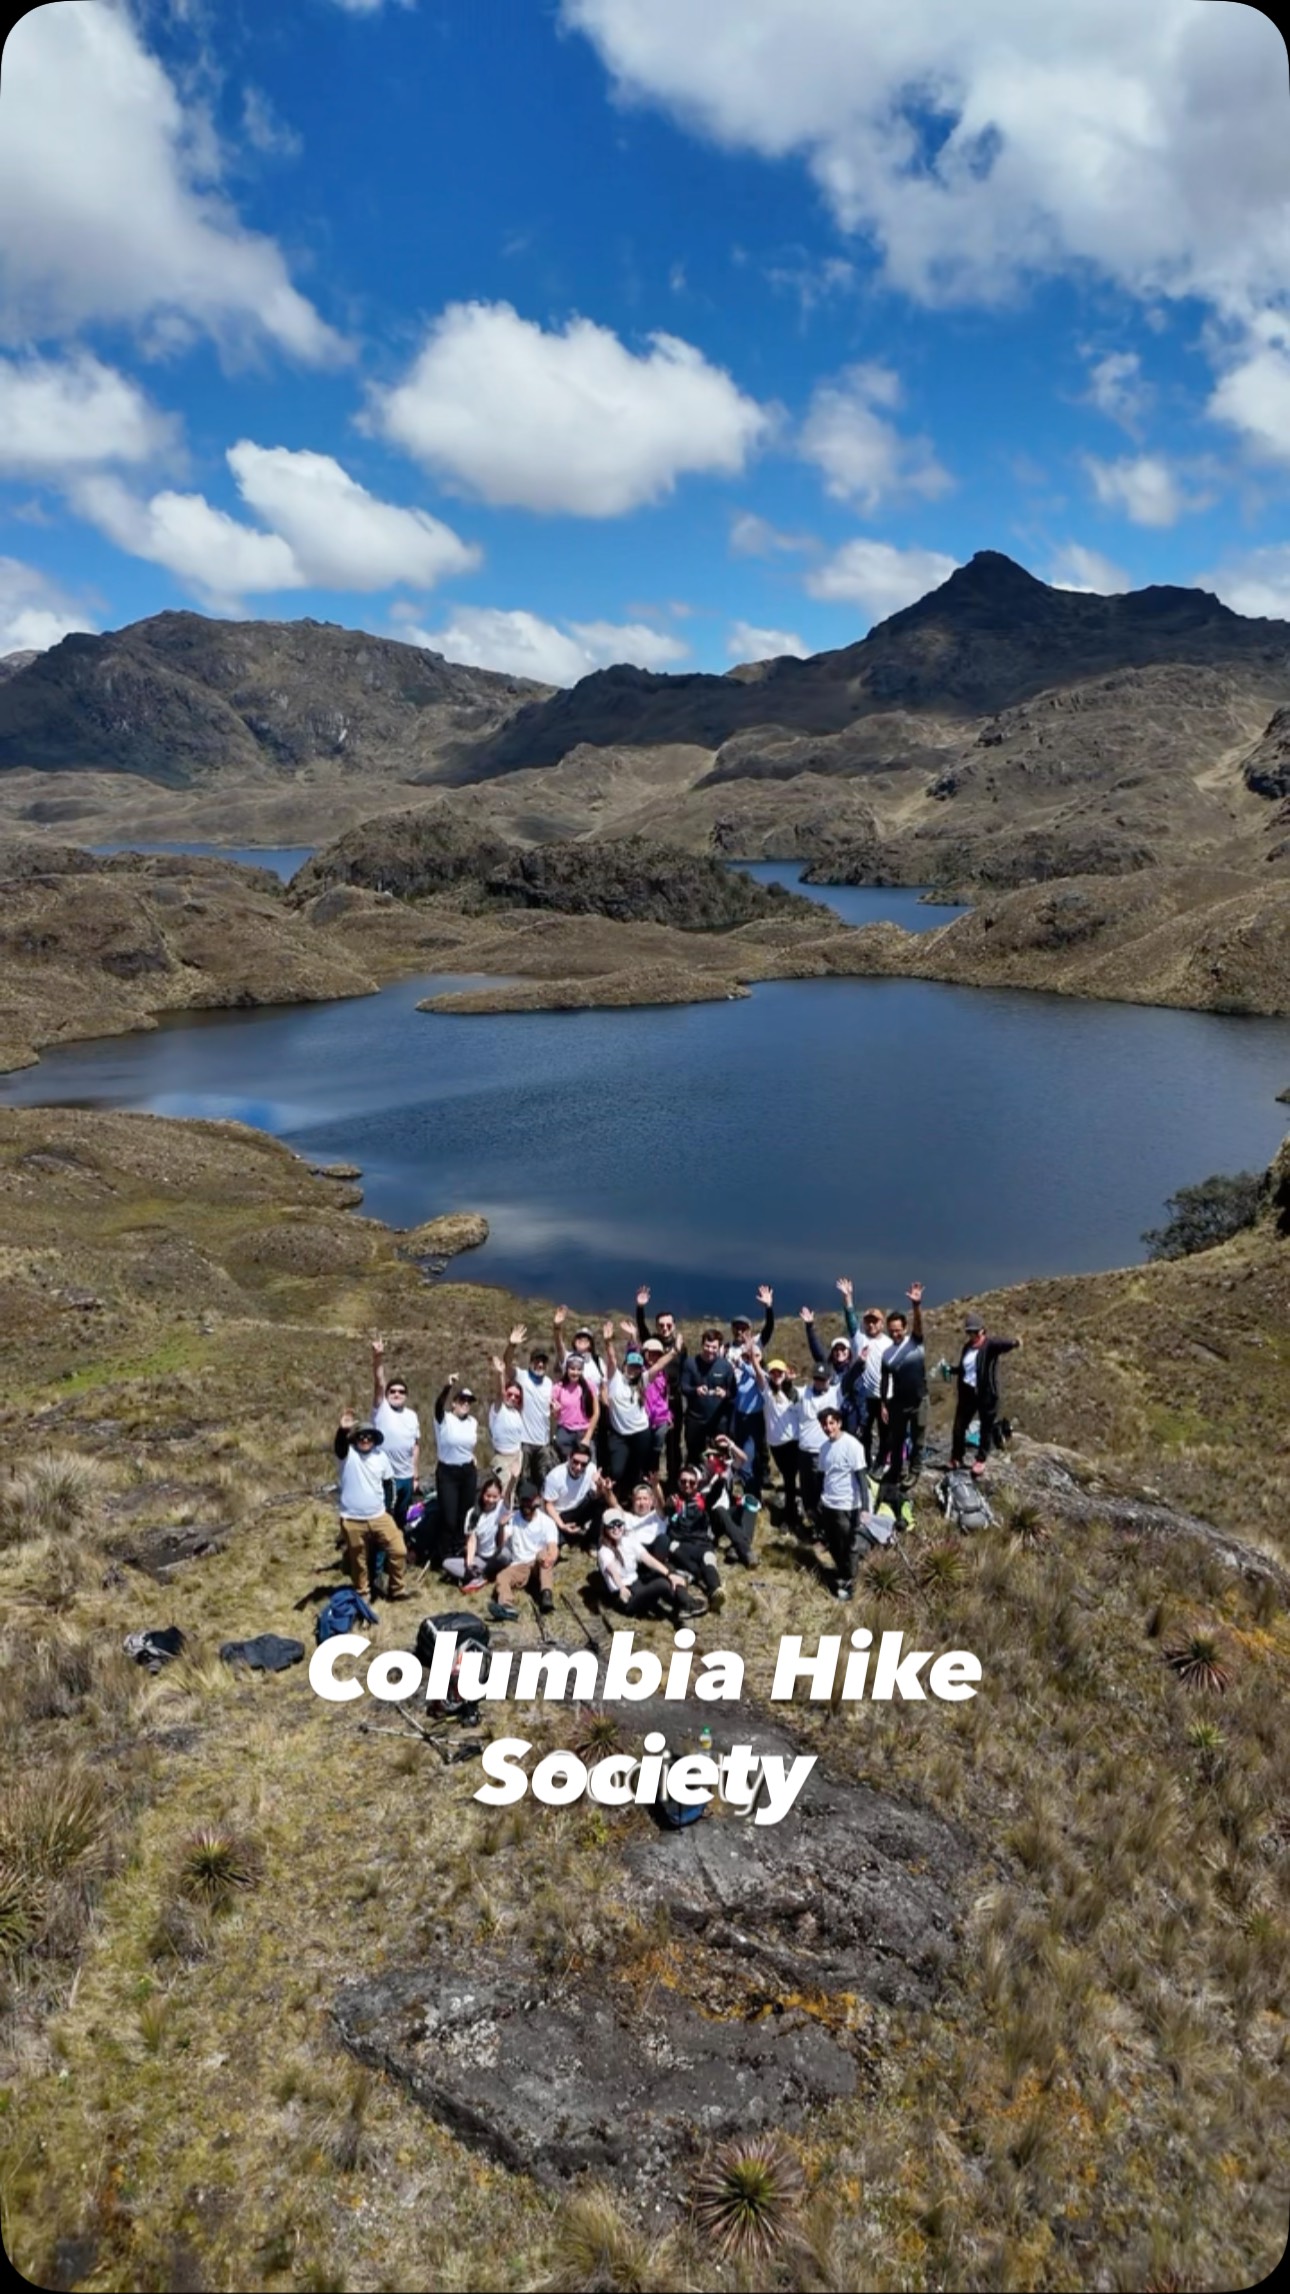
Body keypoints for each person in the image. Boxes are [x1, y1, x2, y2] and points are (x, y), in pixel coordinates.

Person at [602, 1318, 681, 1498]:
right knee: (617, 1470)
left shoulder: (643, 1380)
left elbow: (660, 1364)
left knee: (638, 1468)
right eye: (631, 1366)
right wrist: (608, 1342)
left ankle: (634, 1498)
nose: (634, 1370)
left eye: (637, 1367)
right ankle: (616, 1496)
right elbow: (612, 1359)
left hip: (640, 1432)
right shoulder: (616, 1380)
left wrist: (674, 1351)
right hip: (620, 1434)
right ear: (625, 1366)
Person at [333, 1411, 407, 1600]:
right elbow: (340, 1446)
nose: (365, 1439)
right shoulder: (347, 1455)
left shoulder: (381, 1456)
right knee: (359, 1561)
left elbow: (389, 1484)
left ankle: (396, 1588)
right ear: (355, 1439)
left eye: (369, 1436)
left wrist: (389, 1510)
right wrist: (342, 1431)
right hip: (352, 1518)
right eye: (361, 1436)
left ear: (374, 1439)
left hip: (379, 1515)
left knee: (399, 1550)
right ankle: (363, 1593)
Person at [596, 1508, 701, 1622]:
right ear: (605, 1529)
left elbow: (648, 1559)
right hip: (625, 1597)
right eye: (611, 1526)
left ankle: (685, 1602)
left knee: (668, 1569)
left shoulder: (627, 1540)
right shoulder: (604, 1551)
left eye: (619, 1524)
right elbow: (612, 1571)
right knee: (662, 1585)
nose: (616, 1528)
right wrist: (621, 1587)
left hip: (638, 1584)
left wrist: (670, 1574)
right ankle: (686, 1605)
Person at [951, 1316, 1022, 1475]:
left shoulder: (989, 1345)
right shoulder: (967, 1347)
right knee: (959, 1427)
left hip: (986, 1393)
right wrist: (952, 1370)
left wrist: (1015, 1343)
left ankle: (980, 1460)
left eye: (975, 1332)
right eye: (969, 1332)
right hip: (968, 1392)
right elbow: (966, 1369)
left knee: (986, 1428)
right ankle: (956, 1457)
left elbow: (1002, 1345)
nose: (972, 1335)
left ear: (982, 1330)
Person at [875, 1284, 927, 1493]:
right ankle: (895, 1469)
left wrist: (916, 1305)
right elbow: (885, 1380)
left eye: (898, 1330)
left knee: (918, 1438)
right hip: (898, 1403)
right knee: (896, 1440)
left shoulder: (915, 1343)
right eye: (892, 1330)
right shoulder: (887, 1354)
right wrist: (883, 1404)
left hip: (919, 1400)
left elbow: (920, 1325)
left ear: (905, 1329)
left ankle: (914, 1470)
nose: (895, 1334)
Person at [634, 1286, 688, 1483]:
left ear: (673, 1326)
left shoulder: (681, 1347)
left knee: (674, 1445)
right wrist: (640, 1308)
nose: (665, 1328)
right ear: (657, 1327)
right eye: (661, 1325)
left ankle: (674, 1482)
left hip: (673, 1401)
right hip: (651, 1403)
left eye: (668, 1325)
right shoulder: (652, 1343)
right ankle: (649, 1479)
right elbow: (641, 1328)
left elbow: (684, 1372)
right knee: (651, 1444)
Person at [816, 1405, 870, 1601]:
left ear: (839, 1423)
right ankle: (842, 1574)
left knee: (849, 1546)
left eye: (831, 1423)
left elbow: (862, 1479)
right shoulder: (824, 1448)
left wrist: (864, 1508)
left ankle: (851, 1584)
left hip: (848, 1505)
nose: (828, 1427)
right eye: (824, 1424)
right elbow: (822, 1476)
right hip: (829, 1503)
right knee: (834, 1544)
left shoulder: (853, 1445)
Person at [369, 1333, 421, 1531]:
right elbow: (379, 1381)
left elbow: (415, 1446)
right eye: (393, 1391)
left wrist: (415, 1475)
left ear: (406, 1395)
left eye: (401, 1391)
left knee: (401, 1519)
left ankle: (397, 1554)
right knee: (383, 1520)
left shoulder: (412, 1416)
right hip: (386, 1477)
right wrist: (378, 1358)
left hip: (406, 1477)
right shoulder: (381, 1409)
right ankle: (379, 1560)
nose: (397, 1394)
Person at [490, 1481, 560, 1619]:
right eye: (523, 1501)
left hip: (538, 1562)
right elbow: (500, 1544)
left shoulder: (546, 1522)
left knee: (544, 1554)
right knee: (501, 1577)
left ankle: (546, 1595)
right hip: (520, 1564)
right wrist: (501, 1527)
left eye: (529, 1501)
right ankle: (506, 1607)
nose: (526, 1505)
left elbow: (553, 1546)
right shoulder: (513, 1518)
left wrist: (550, 1558)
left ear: (537, 1500)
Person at [837, 1287, 891, 1463]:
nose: (871, 1324)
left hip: (884, 1397)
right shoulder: (859, 1338)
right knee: (864, 1433)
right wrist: (848, 1297)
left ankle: (882, 1462)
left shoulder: (889, 1344)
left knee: (885, 1433)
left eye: (875, 1321)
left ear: (882, 1324)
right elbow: (850, 1318)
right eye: (868, 1321)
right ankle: (865, 1463)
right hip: (863, 1398)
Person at [728, 1288, 774, 1491]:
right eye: (736, 1328)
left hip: (755, 1408)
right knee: (738, 1441)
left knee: (758, 1444)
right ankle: (740, 1474)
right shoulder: (727, 1348)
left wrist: (768, 1307)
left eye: (743, 1328)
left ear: (749, 1329)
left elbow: (769, 1328)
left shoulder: (755, 1343)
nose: (740, 1332)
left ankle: (760, 1476)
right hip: (736, 1404)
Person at [661, 1464, 725, 1605]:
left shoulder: (702, 1500)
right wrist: (668, 1506)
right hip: (681, 1546)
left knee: (708, 1559)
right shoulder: (673, 1500)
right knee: (673, 1548)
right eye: (683, 1481)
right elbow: (662, 1514)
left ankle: (715, 1591)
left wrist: (720, 1479)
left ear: (697, 1484)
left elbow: (715, 1493)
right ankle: (698, 1577)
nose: (687, 1485)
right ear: (678, 1482)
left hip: (701, 1544)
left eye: (691, 1482)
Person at [433, 1375, 479, 1564]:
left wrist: (472, 1457)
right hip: (448, 1473)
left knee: (465, 1516)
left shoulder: (473, 1422)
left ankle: (460, 1551)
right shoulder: (444, 1419)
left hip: (467, 1472)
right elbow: (438, 1404)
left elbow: (468, 1445)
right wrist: (447, 1387)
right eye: (461, 1401)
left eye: (469, 1402)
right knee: (449, 1518)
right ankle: (444, 1555)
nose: (465, 1404)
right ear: (453, 1403)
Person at [505, 1326, 556, 1486]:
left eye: (543, 1362)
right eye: (537, 1361)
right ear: (531, 1362)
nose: (540, 1364)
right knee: (523, 1479)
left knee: (544, 1480)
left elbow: (552, 1410)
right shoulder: (522, 1376)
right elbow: (506, 1364)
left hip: (543, 1443)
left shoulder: (549, 1383)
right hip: (524, 1442)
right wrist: (511, 1345)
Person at [442, 1474, 509, 1591]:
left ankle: (481, 1576)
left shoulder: (501, 1508)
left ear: (499, 1496)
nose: (491, 1500)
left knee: (505, 1555)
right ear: (482, 1494)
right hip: (481, 1559)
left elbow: (510, 1494)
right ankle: (480, 1575)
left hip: (496, 1555)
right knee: (447, 1563)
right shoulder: (472, 1514)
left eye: (495, 1497)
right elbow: (471, 1541)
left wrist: (514, 1477)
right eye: (488, 1496)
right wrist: (469, 1564)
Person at [679, 1329, 737, 1465]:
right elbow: (684, 1387)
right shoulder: (690, 1363)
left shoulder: (725, 1366)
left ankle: (718, 1484)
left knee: (720, 1455)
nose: (710, 1350)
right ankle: (692, 1483)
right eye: (707, 1346)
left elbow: (733, 1393)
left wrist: (725, 1394)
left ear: (719, 1348)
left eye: (714, 1347)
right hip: (695, 1420)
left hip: (718, 1421)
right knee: (694, 1455)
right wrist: (695, 1390)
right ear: (702, 1344)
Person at [796, 1348, 840, 1524]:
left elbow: (851, 1377)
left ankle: (822, 1525)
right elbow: (787, 1391)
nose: (819, 1382)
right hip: (803, 1450)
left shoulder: (835, 1393)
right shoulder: (804, 1392)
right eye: (816, 1378)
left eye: (822, 1379)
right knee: (806, 1489)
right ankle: (810, 1518)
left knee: (822, 1489)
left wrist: (860, 1361)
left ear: (829, 1379)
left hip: (823, 1451)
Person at [762, 1359, 803, 1528]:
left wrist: (790, 1382)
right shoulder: (767, 1391)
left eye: (780, 1372)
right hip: (775, 1444)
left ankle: (790, 1516)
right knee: (788, 1476)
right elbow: (758, 1372)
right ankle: (792, 1510)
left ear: (785, 1373)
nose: (776, 1375)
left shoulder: (794, 1392)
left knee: (789, 1477)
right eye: (773, 1372)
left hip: (792, 1442)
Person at [541, 1442, 608, 1543]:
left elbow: (595, 1496)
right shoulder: (555, 1476)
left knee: (601, 1502)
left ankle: (591, 1542)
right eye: (575, 1462)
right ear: (569, 1458)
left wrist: (599, 1487)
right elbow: (549, 1505)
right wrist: (562, 1525)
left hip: (579, 1507)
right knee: (559, 1542)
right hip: (560, 1514)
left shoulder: (591, 1469)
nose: (578, 1467)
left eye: (583, 1464)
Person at [487, 1356, 526, 1501]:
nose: (513, 1398)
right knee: (504, 1493)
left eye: (517, 1396)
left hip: (517, 1456)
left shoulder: (517, 1413)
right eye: (510, 1394)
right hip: (501, 1458)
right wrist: (500, 1373)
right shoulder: (498, 1408)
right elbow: (499, 1392)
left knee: (514, 1492)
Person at [551, 1350, 600, 1461]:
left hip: (584, 1432)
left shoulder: (589, 1386)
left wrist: (588, 1437)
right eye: (572, 1369)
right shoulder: (558, 1387)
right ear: (567, 1369)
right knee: (567, 1467)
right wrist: (554, 1411)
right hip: (564, 1432)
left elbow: (596, 1412)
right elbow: (554, 1414)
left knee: (588, 1465)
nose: (575, 1372)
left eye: (579, 1369)